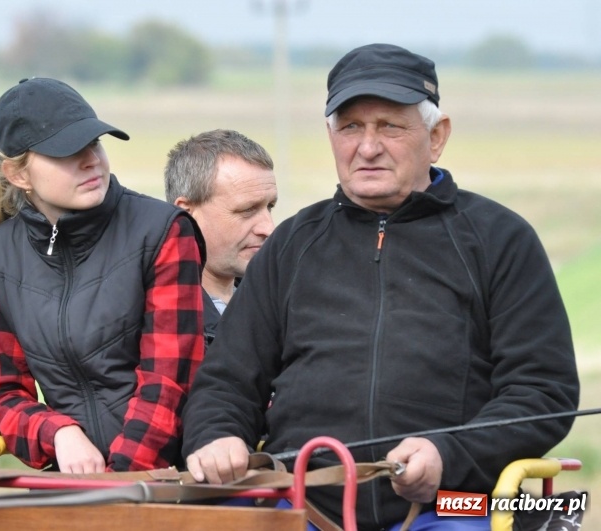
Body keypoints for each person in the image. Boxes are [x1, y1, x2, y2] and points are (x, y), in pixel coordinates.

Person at [181, 43, 580, 530]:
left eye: (389, 126)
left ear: (436, 137)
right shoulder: (292, 244)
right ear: (331, 137)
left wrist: (448, 455)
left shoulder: (500, 240)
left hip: (452, 506)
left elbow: (542, 392)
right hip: (302, 506)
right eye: (350, 127)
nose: (367, 147)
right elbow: (227, 381)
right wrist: (218, 435)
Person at [0, 77, 206, 474]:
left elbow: (168, 386)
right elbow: (1, 396)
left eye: (94, 143)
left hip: (172, 479)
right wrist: (58, 432)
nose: (91, 161)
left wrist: (115, 488)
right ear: (18, 175)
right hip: (77, 485)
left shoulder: (163, 231)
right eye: (66, 152)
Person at [164, 129, 278, 344]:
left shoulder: (282, 303)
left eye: (269, 207)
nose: (268, 228)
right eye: (247, 210)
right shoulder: (158, 320)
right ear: (186, 215)